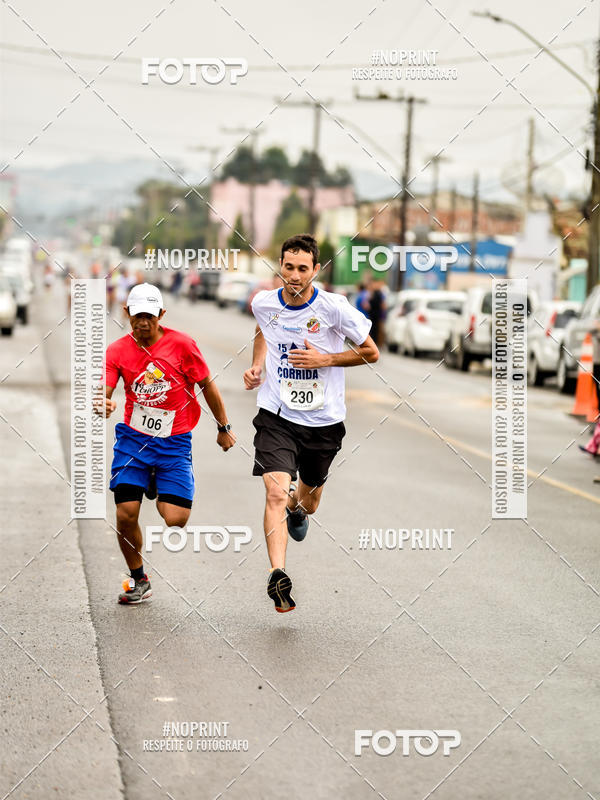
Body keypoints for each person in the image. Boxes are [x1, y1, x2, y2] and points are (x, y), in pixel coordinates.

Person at [243, 234, 379, 613]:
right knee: (273, 492)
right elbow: (262, 331)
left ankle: (297, 507)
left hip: (323, 421)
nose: (295, 275)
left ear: (315, 270)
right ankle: (278, 574)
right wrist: (257, 366)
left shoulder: (335, 309)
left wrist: (326, 360)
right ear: (280, 266)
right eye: (289, 267)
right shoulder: (264, 303)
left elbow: (371, 352)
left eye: (303, 268)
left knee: (310, 502)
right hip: (277, 414)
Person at [94, 283, 236, 604]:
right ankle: (138, 578)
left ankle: (157, 480)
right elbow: (105, 388)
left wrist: (223, 427)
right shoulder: (117, 350)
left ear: (161, 315)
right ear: (126, 314)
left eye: (149, 315)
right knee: (126, 513)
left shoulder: (182, 346)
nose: (143, 322)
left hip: (174, 443)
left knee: (175, 519)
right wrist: (103, 402)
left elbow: (207, 386)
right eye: (136, 315)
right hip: (134, 441)